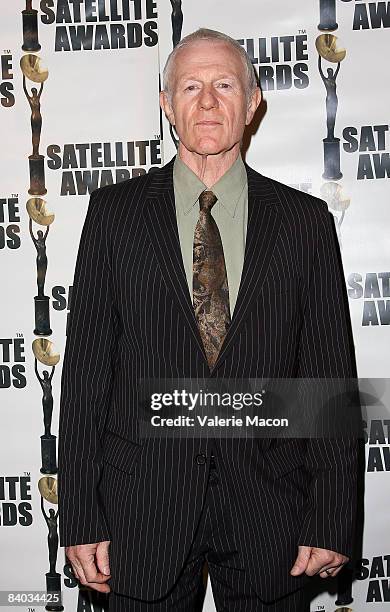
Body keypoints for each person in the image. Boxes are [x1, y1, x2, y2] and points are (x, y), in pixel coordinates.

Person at [58, 28, 360, 611]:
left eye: (224, 85)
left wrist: (331, 514)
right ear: (168, 105)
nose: (206, 101)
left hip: (272, 511)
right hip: (140, 510)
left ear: (253, 103)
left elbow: (329, 380)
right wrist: (81, 512)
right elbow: (85, 381)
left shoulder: (305, 223)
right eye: (189, 86)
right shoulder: (113, 217)